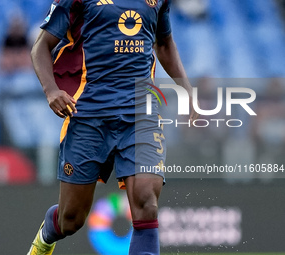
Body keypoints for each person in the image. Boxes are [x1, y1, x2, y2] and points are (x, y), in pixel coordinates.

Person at [27, 0, 198, 254]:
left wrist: (187, 91)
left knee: (146, 202)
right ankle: (45, 238)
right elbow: (41, 46)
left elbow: (163, 42)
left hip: (140, 114)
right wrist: (51, 90)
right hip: (88, 116)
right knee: (70, 219)